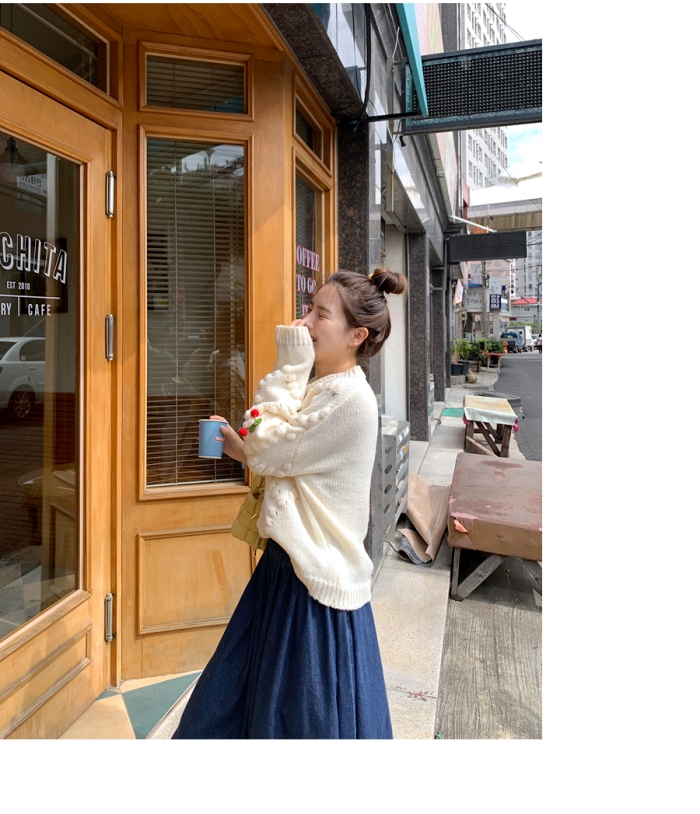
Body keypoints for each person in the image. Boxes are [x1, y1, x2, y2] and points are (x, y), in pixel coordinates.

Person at [172, 267, 407, 739]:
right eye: (309, 308)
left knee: (285, 718)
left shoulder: (347, 400)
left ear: (356, 335)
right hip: (291, 571)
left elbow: (267, 441)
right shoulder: (325, 389)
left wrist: (290, 363)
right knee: (245, 709)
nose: (305, 323)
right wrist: (247, 451)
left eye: (321, 314)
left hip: (311, 589)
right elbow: (282, 455)